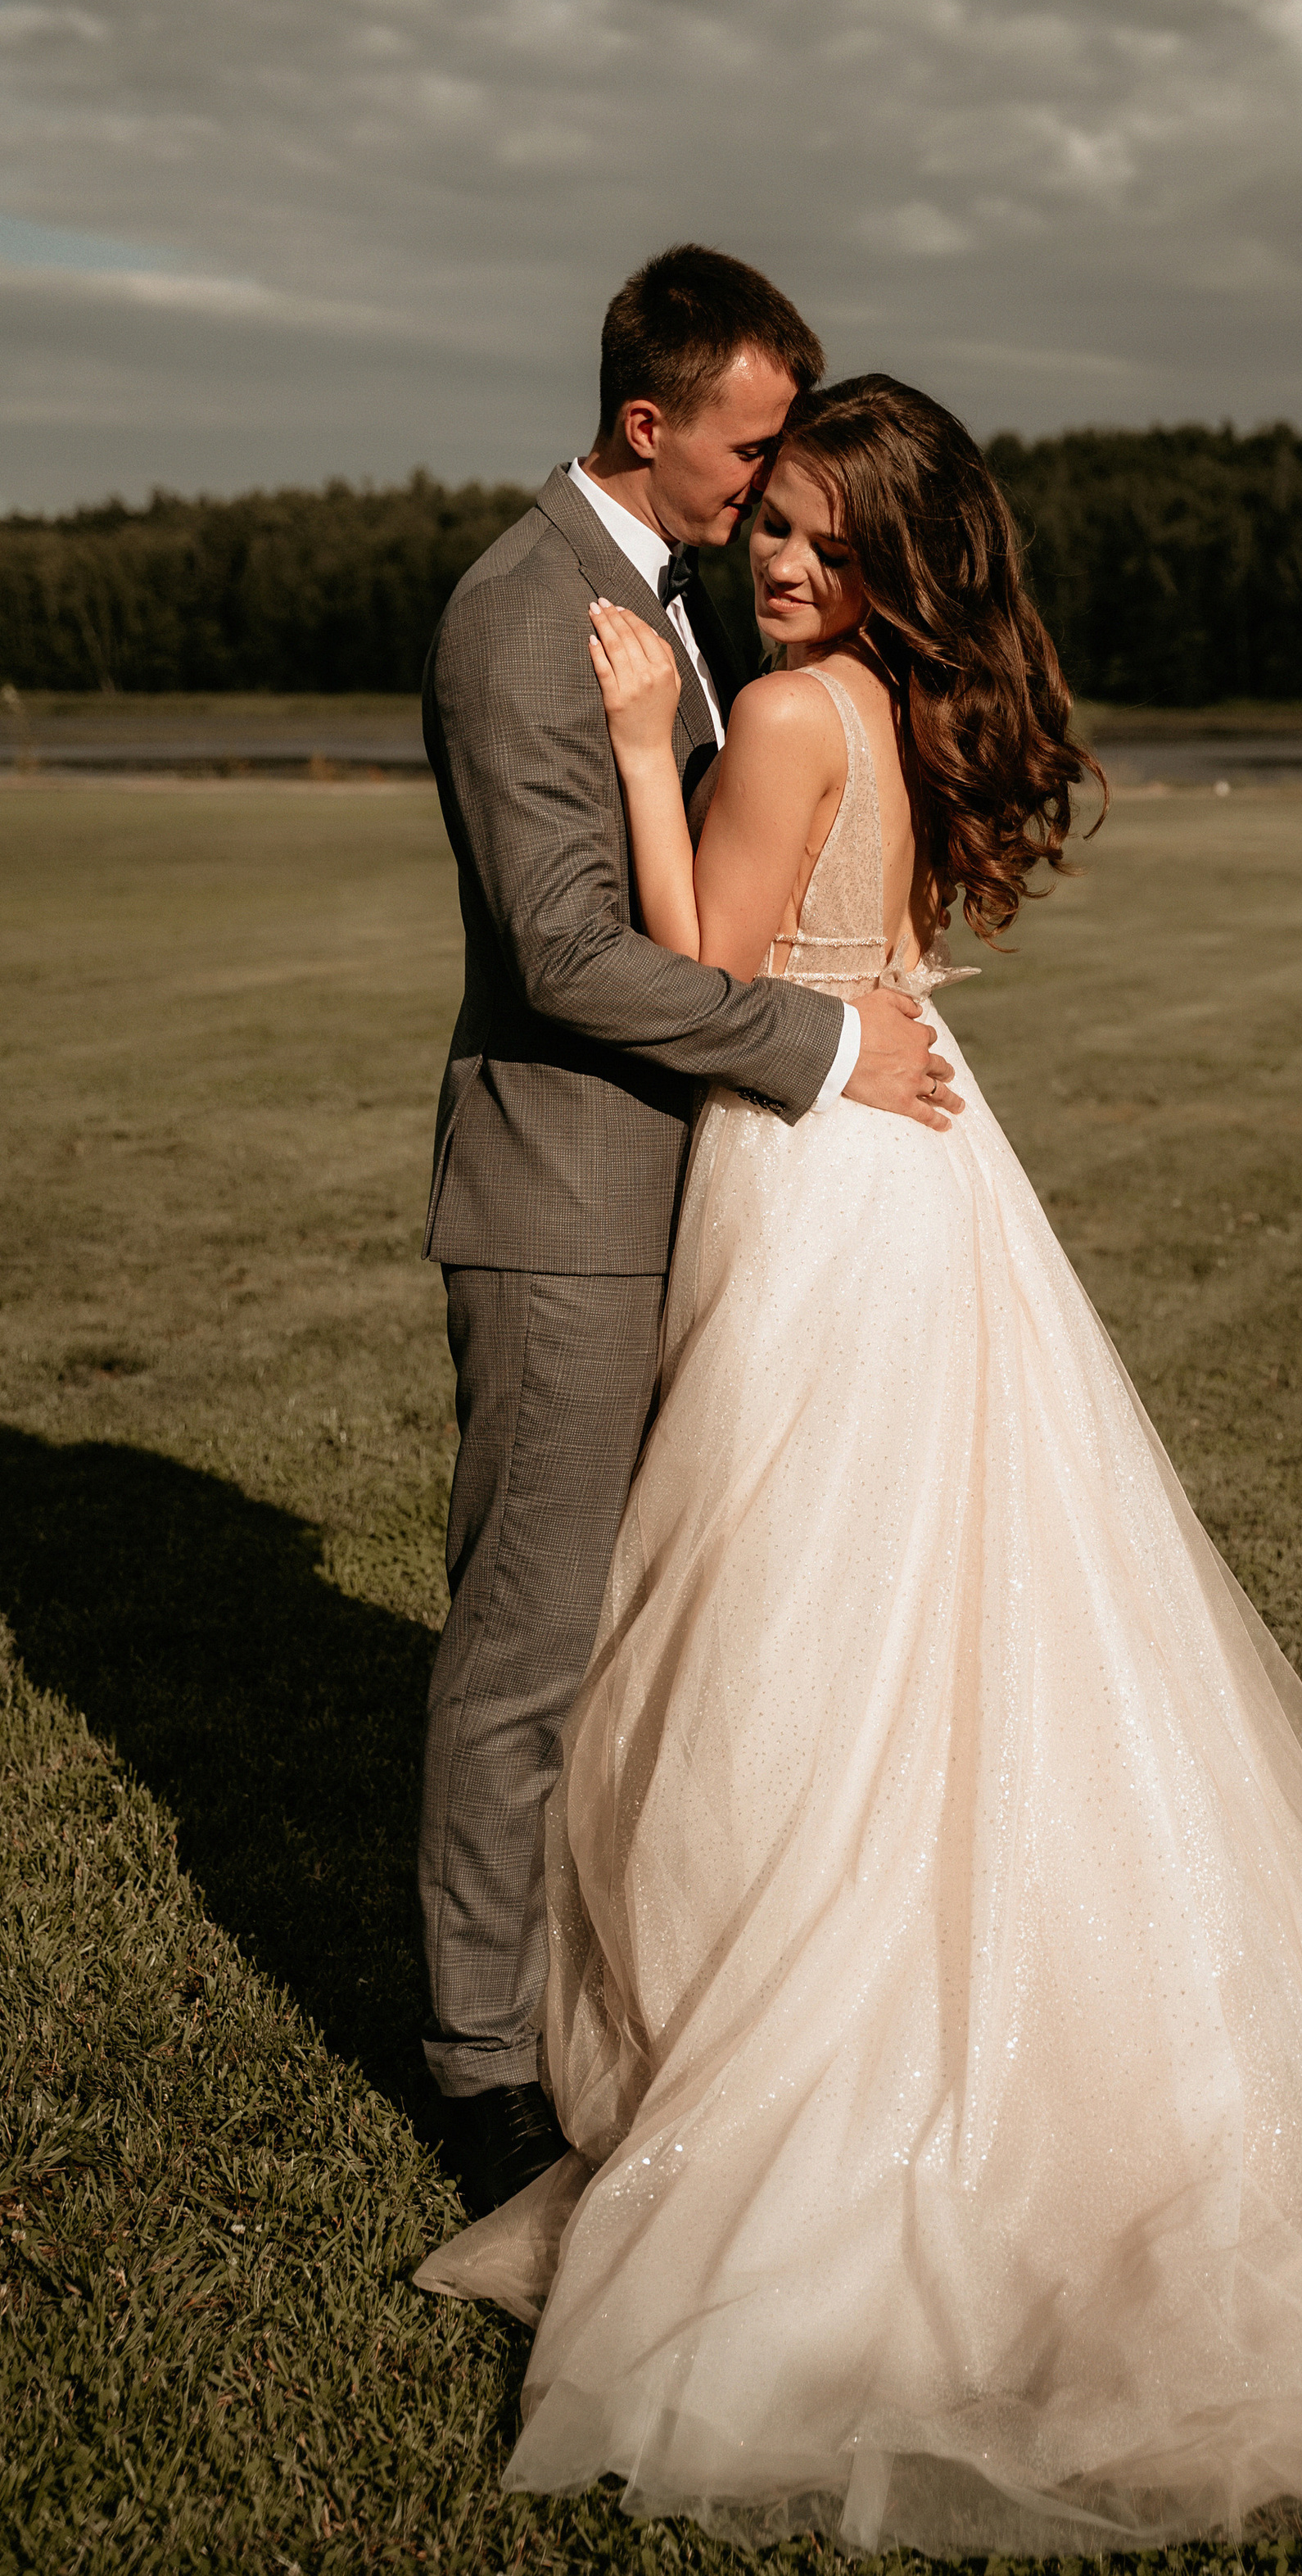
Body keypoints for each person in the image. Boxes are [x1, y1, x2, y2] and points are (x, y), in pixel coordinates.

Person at [418, 377, 1302, 2548]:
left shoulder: (783, 713)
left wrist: (625, 744)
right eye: (771, 524)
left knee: (794, 1611)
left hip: (815, 1178)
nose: (779, 561)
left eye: (821, 538)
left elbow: (703, 967)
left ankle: (809, 2032)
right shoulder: (887, 700)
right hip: (914, 1167)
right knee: (929, 1592)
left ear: (890, 561)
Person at [418, 253, 957, 2221]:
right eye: (749, 448)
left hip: (711, 1207)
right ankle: (480, 2070)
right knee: (528, 1647)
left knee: (679, 1634)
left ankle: (639, 1991)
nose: (768, 482)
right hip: (567, 1210)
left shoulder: (674, 601)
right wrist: (817, 1042)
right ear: (647, 424)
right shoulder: (519, 611)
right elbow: (567, 957)